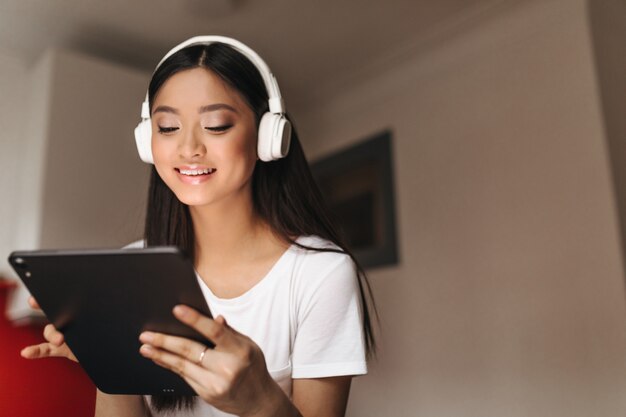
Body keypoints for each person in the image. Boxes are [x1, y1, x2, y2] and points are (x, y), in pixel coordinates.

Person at [21, 36, 376, 417]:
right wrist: (110, 363)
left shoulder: (319, 274)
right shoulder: (129, 269)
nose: (189, 148)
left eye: (217, 125)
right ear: (147, 141)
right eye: (168, 127)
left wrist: (262, 402)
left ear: (269, 135)